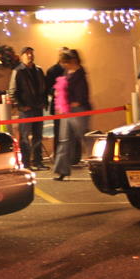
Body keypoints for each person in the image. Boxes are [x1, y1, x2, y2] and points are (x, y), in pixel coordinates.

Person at [52, 49, 91, 181]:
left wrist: (72, 102)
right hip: (67, 111)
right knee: (64, 140)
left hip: (79, 111)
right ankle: (62, 171)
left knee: (85, 138)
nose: (64, 65)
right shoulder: (67, 72)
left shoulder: (80, 74)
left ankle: (98, 165)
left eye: (66, 62)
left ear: (73, 61)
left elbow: (82, 96)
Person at [9, 47, 48, 170]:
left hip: (38, 108)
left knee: (38, 136)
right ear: (22, 56)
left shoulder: (38, 70)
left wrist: (44, 102)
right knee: (25, 137)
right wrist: (21, 106)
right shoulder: (18, 71)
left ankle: (38, 161)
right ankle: (26, 163)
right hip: (26, 110)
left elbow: (44, 88)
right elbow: (12, 91)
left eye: (31, 53)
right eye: (27, 54)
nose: (30, 55)